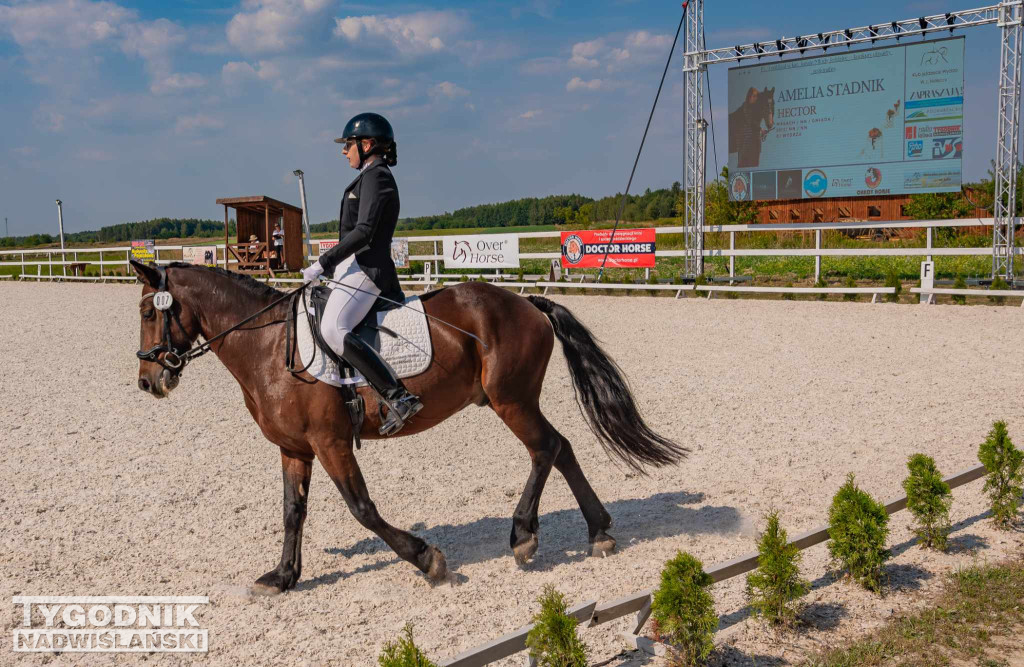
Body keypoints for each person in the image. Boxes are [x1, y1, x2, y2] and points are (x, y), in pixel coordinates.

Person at [301, 112, 422, 436]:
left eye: (348, 145)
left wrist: (323, 262)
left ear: (367, 144)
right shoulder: (368, 175)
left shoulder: (377, 176)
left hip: (370, 269)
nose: (344, 151)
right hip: (355, 265)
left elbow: (365, 231)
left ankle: (398, 395)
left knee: (333, 327)